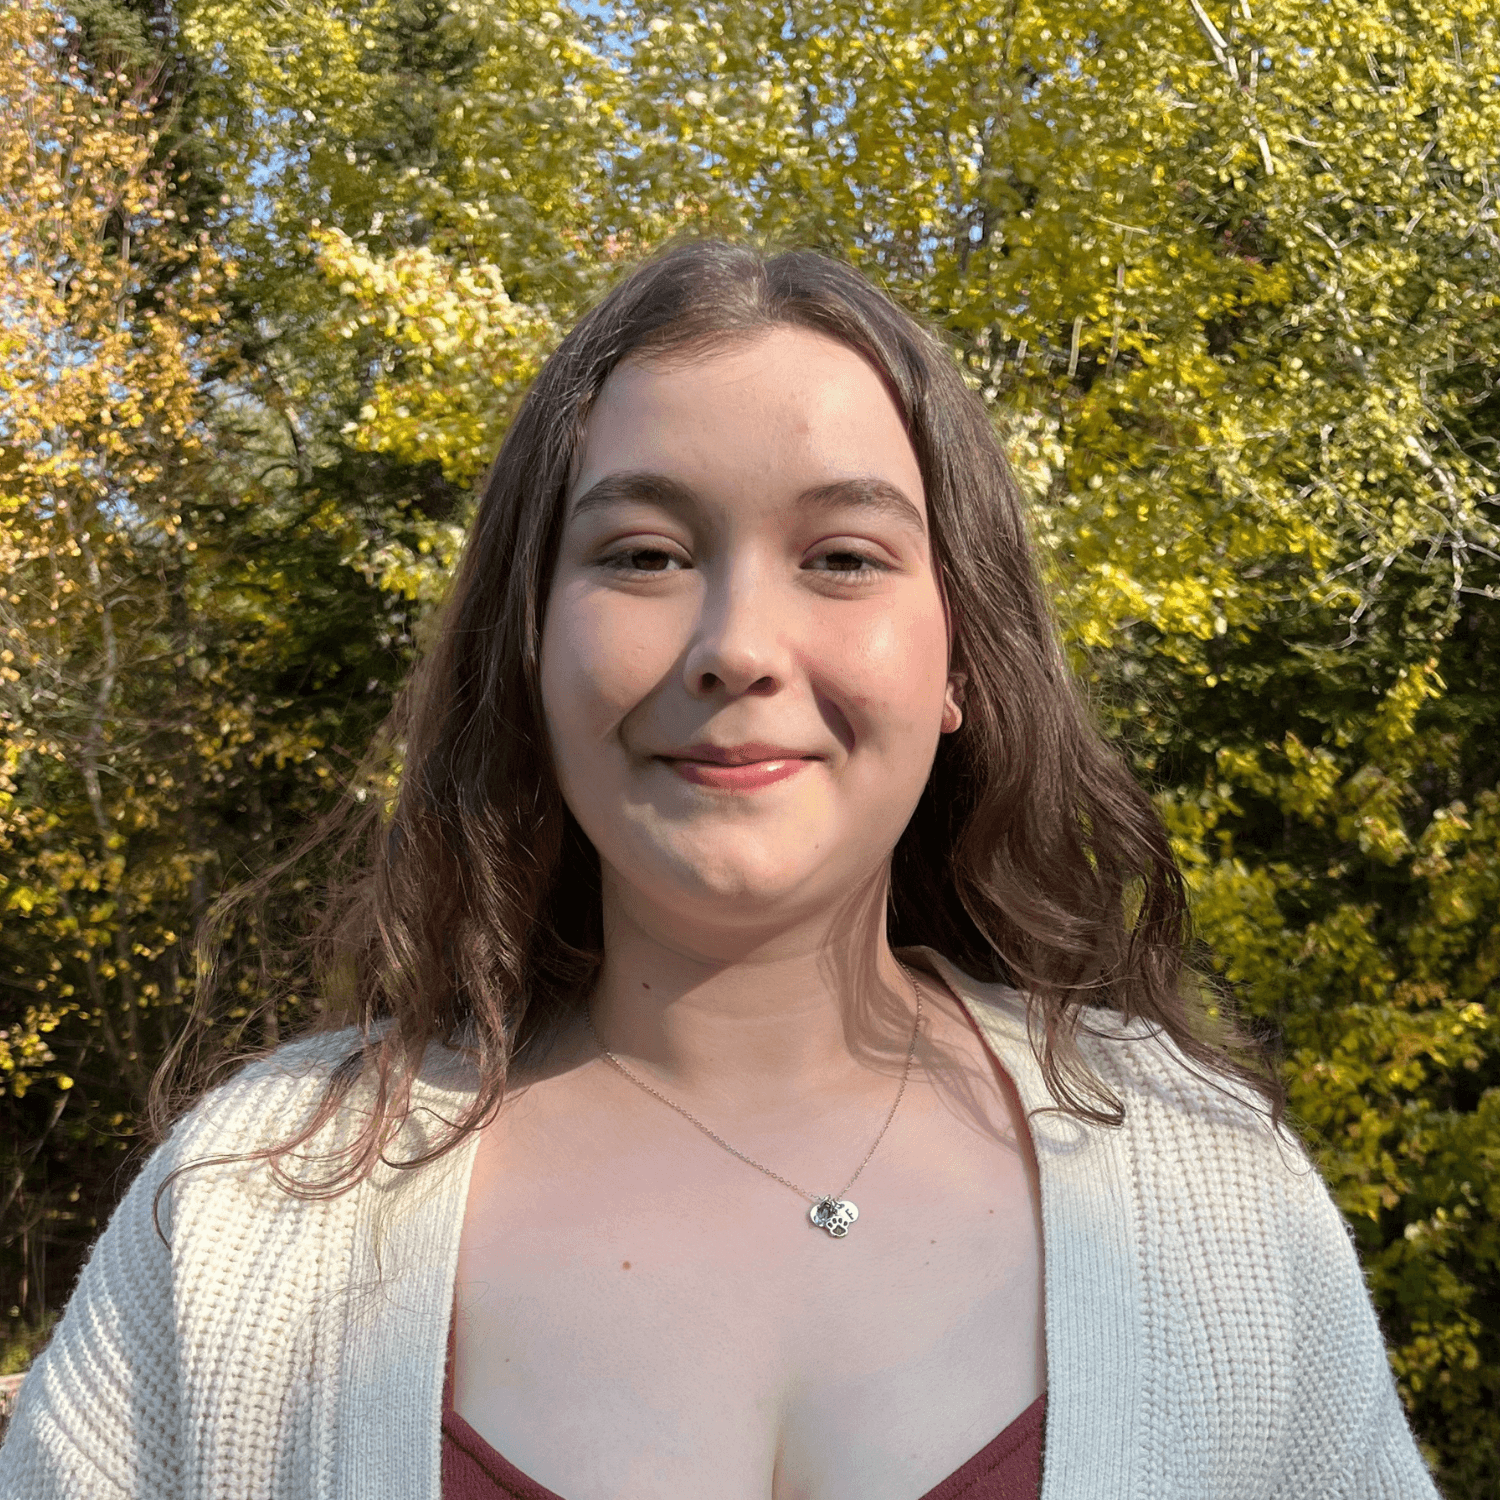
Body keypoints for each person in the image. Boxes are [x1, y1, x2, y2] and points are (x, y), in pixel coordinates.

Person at [0, 242, 1438, 1500]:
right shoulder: (259, 1209)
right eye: (641, 553)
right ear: (533, 644)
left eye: (843, 557)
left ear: (962, 662)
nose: (737, 643)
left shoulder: (1212, 1195)